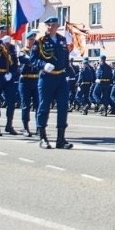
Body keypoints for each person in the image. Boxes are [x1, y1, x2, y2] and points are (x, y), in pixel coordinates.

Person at [34, 16, 73, 149]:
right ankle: (43, 137)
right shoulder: (40, 41)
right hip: (47, 78)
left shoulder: (62, 40)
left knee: (63, 107)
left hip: (61, 78)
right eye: (49, 25)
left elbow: (66, 59)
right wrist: (43, 65)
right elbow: (33, 60)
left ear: (57, 26)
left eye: (53, 25)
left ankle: (60, 139)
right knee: (44, 107)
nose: (51, 27)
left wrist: (68, 74)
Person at [17, 31, 42, 137]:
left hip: (36, 80)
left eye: (34, 40)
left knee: (38, 105)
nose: (32, 42)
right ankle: (25, 128)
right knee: (25, 106)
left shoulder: (37, 52)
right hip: (25, 80)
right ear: (27, 40)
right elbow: (24, 60)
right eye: (31, 39)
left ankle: (39, 128)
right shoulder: (23, 51)